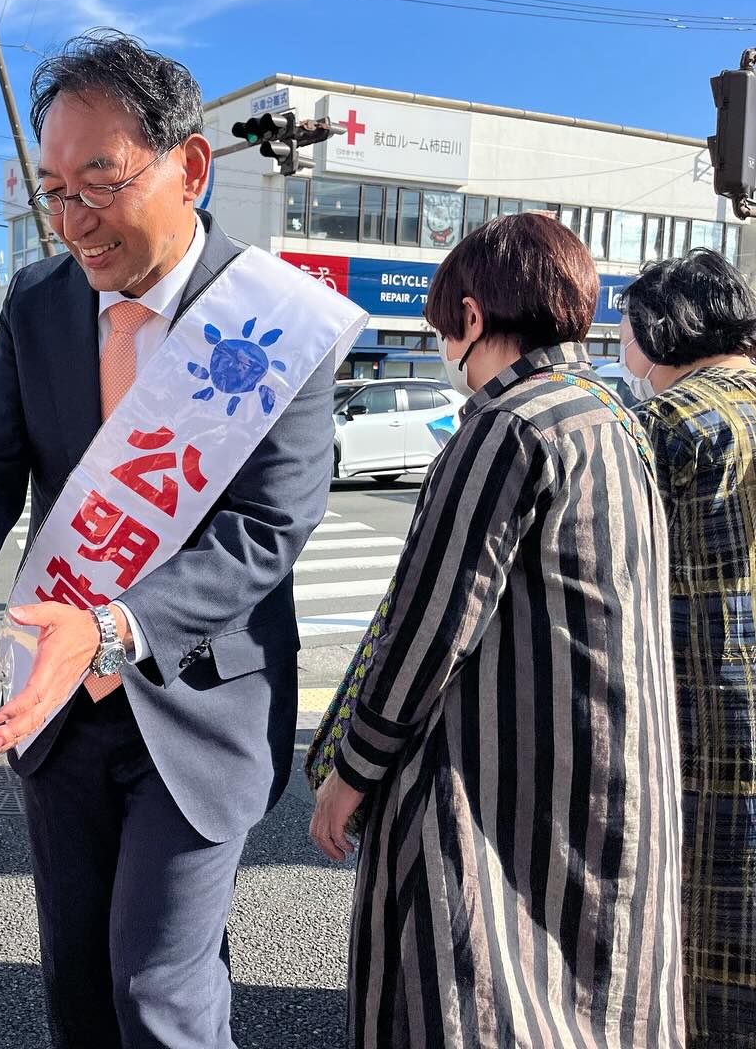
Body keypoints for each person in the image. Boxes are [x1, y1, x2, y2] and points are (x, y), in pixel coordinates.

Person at [0, 31, 363, 1046]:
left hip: (202, 701)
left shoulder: (280, 322)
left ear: (190, 167)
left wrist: (110, 626)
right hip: (57, 707)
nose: (73, 222)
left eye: (98, 183)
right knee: (77, 975)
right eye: (55, 191)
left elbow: (267, 529)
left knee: (157, 987)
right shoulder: (38, 300)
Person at [309, 214, 684, 1047]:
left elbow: (426, 626)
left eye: (447, 330)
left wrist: (352, 770)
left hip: (505, 781)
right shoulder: (608, 415)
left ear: (471, 320)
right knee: (593, 1000)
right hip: (610, 769)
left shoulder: (504, 426)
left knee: (471, 991)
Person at [622, 248, 756, 1046]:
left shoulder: (667, 426)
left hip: (704, 707)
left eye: (629, 331)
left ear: (663, 330)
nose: (626, 354)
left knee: (707, 920)